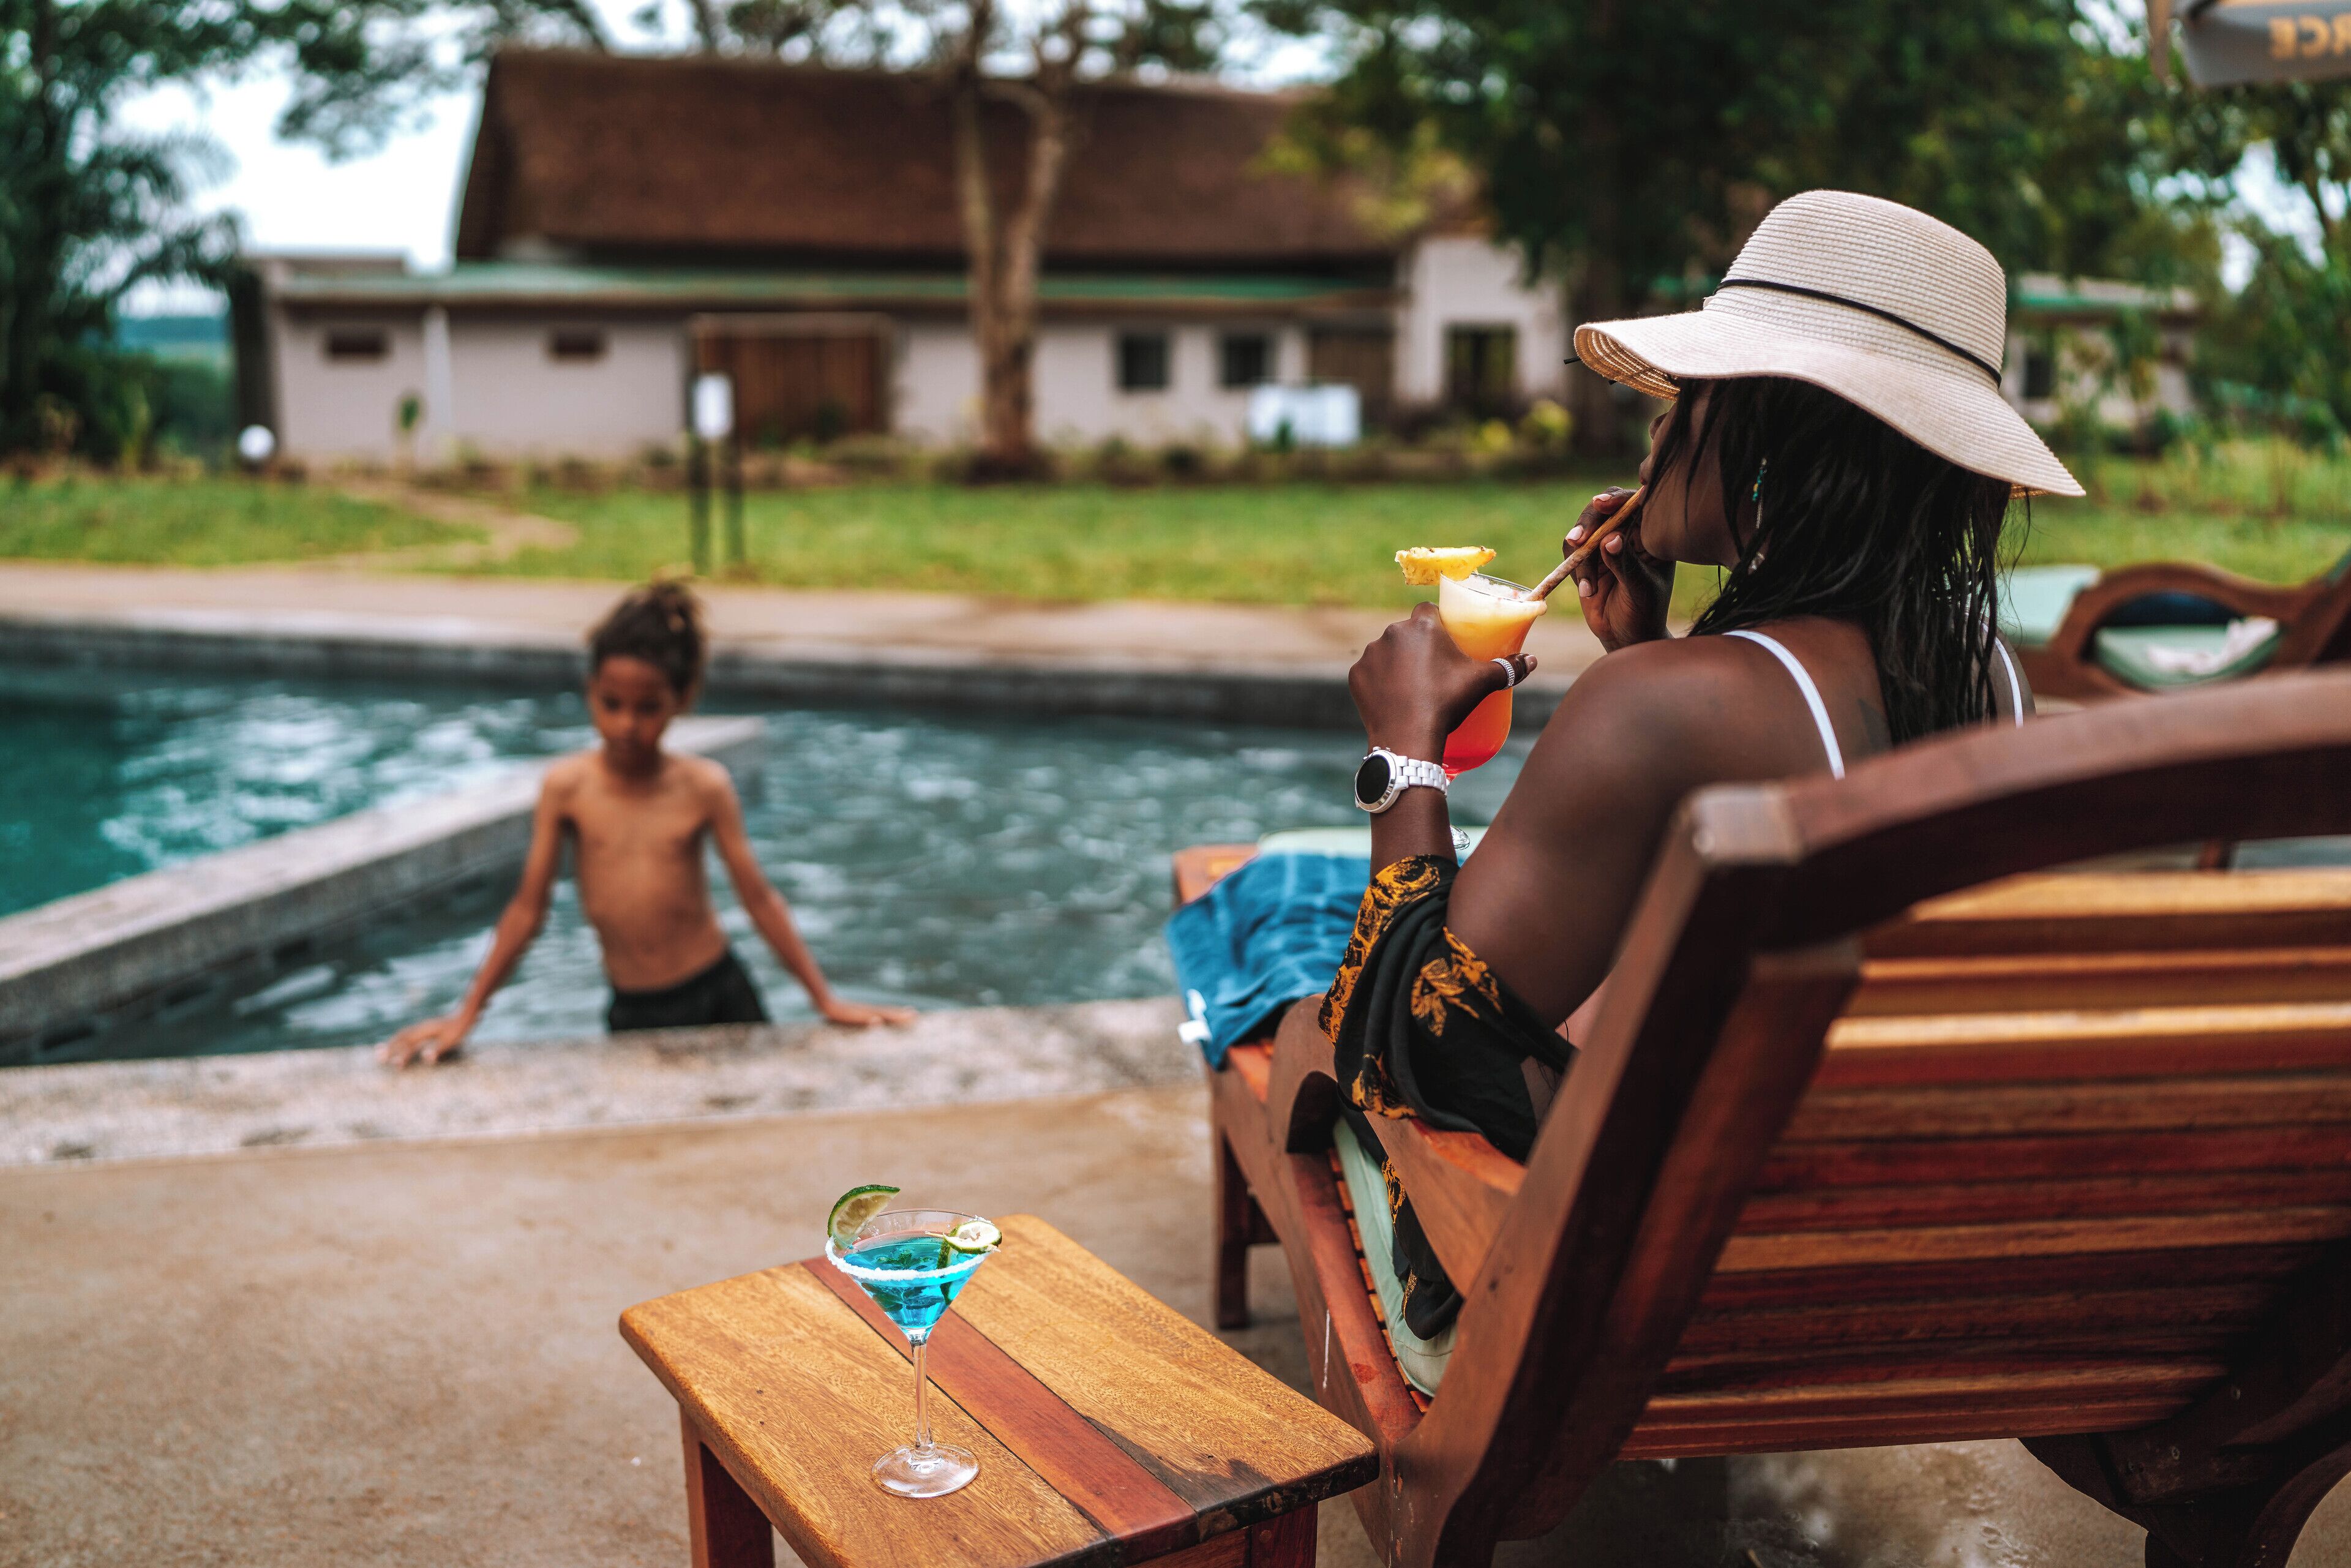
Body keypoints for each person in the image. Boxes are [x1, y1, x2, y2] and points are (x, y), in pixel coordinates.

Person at [1326, 190, 2082, 1340]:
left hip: (1667, 1279)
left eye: (1685, 397)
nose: (1654, 434)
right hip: (1888, 1249)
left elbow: (1422, 1054)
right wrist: (1657, 657)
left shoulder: (1663, 713)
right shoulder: (2001, 678)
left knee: (1295, 988)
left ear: (1771, 436)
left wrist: (1404, 758)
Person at [380, 582, 914, 1067]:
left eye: (648, 707)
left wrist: (824, 999)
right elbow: (527, 908)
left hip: (720, 993)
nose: (627, 725)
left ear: (682, 700)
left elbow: (759, 898)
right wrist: (468, 1012)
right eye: (611, 704)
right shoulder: (568, 789)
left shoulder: (703, 787)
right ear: (590, 690)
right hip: (634, 1007)